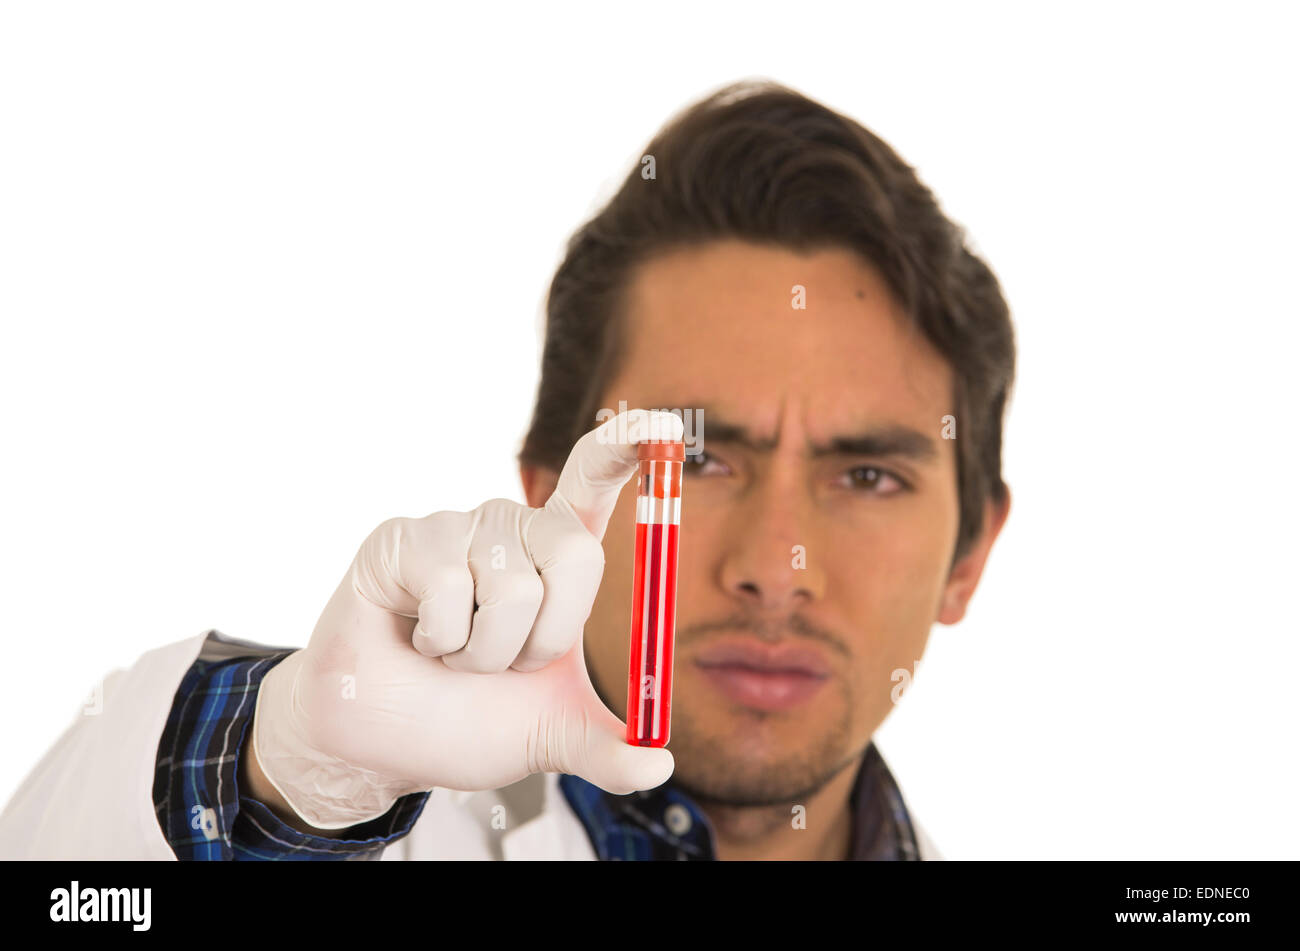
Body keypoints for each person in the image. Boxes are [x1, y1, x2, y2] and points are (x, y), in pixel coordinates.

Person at [0, 78, 1014, 861]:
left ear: (969, 555)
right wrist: (290, 786)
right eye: (695, 458)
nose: (775, 568)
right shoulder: (320, 807)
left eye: (869, 476)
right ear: (549, 496)